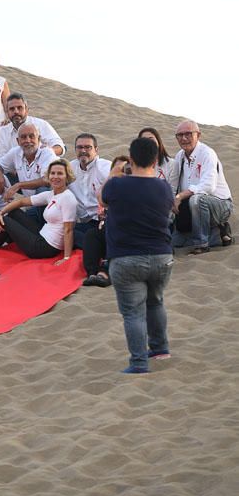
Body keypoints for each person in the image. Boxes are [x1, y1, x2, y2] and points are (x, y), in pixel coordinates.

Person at [101, 138, 174, 374]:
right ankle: (160, 348)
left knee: (133, 312)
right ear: (155, 160)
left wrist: (114, 172)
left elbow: (102, 198)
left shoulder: (117, 186)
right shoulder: (164, 187)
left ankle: (139, 362)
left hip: (126, 257)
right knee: (156, 302)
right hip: (162, 256)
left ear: (130, 160)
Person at [0, 158, 77, 264]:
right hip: (42, 235)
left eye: (60, 173)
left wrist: (66, 258)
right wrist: (0, 213)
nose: (55, 177)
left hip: (45, 248)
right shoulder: (52, 194)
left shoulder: (67, 198)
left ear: (67, 177)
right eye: (52, 173)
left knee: (5, 221)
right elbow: (21, 202)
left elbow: (68, 230)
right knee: (14, 213)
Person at [170, 120, 234, 254]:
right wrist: (172, 201)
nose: (184, 138)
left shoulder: (207, 153)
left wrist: (180, 196)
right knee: (176, 242)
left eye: (188, 134)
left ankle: (202, 244)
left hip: (220, 205)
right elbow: (173, 184)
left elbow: (208, 186)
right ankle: (218, 233)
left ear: (198, 135)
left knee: (197, 200)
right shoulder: (179, 157)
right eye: (179, 135)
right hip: (193, 209)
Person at [82, 155, 129, 288]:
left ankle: (106, 273)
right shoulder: (111, 188)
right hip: (110, 231)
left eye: (123, 168)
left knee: (112, 229)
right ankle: (92, 272)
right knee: (91, 235)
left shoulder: (135, 186)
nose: (120, 172)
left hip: (130, 236)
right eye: (116, 168)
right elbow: (101, 199)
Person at [69, 133, 111, 249]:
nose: (83, 150)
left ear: (96, 150)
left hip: (105, 222)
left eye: (88, 147)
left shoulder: (105, 168)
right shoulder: (70, 168)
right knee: (64, 233)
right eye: (79, 147)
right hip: (85, 222)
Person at [0, 93, 65, 161]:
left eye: (20, 108)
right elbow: (1, 160)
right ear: (7, 113)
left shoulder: (40, 124)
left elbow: (60, 148)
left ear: (27, 110)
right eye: (12, 109)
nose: (16, 112)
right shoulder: (3, 132)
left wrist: (47, 152)